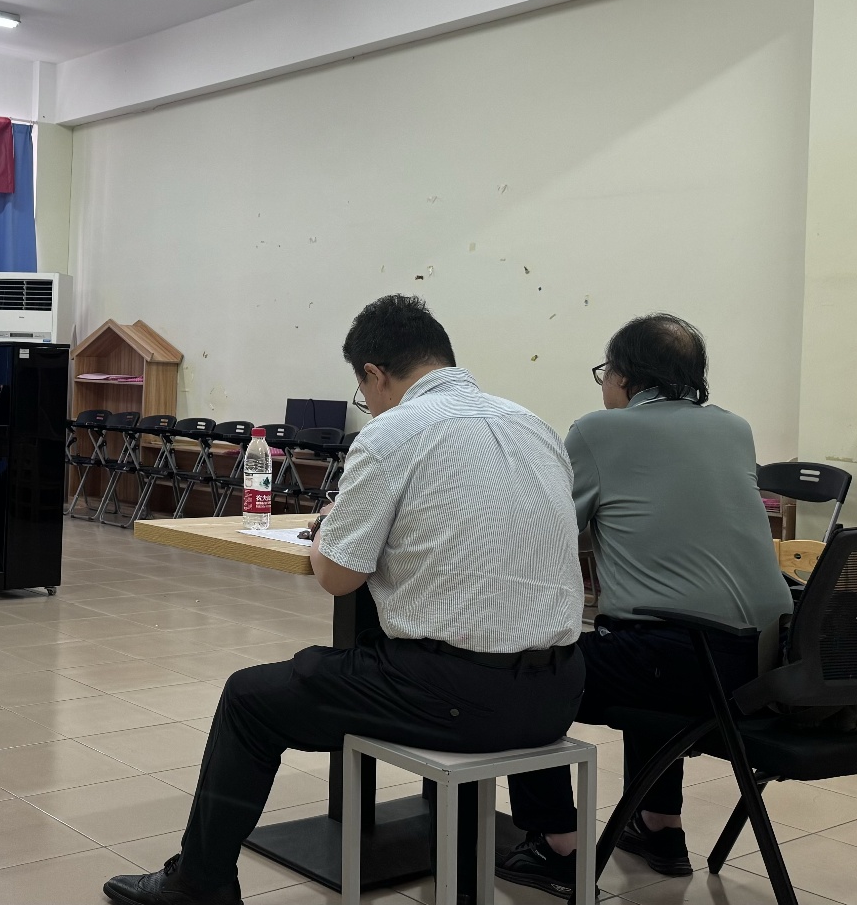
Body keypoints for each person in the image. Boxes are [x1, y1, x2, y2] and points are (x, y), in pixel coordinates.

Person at [104, 295, 587, 905]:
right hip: (559, 691)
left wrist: (330, 530)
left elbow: (337, 578)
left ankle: (197, 885)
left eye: (364, 391)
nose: (368, 403)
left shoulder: (394, 431)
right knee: (389, 654)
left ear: (374, 374)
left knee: (250, 698)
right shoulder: (531, 424)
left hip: (458, 698)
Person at [499, 314, 794, 899]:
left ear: (625, 376)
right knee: (638, 637)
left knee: (523, 668)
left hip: (685, 661)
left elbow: (545, 530)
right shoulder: (735, 429)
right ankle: (660, 827)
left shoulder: (597, 432)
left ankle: (557, 846)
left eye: (604, 373)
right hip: (766, 664)